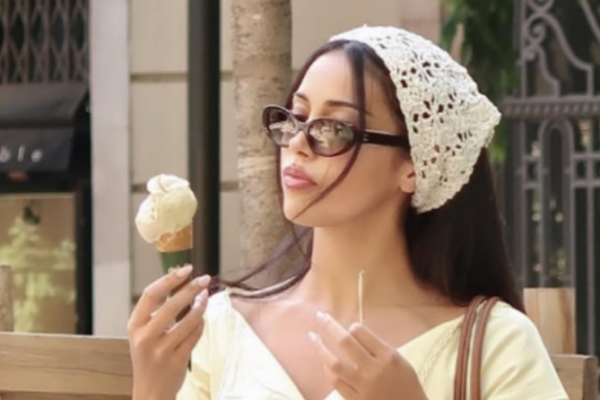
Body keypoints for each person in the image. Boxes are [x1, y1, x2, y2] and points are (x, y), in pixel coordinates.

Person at [127, 25, 568, 400]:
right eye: (295, 117)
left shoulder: (496, 343)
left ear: (417, 165)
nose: (298, 143)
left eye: (333, 129)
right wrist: (151, 390)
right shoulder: (220, 327)